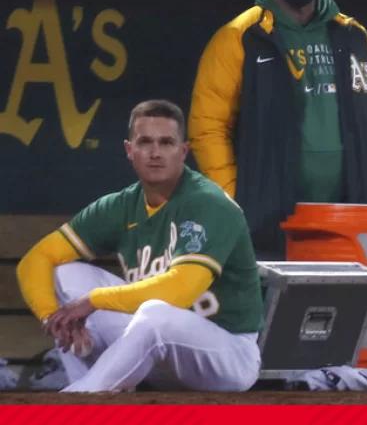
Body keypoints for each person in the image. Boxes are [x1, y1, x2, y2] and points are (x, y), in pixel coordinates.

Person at [15, 100, 263, 392]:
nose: (155, 152)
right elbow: (37, 259)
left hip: (227, 353)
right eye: (145, 142)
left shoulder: (207, 202)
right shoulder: (120, 205)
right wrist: (52, 316)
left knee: (156, 313)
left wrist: (92, 301)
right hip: (151, 346)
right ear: (129, 150)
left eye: (166, 142)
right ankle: (89, 380)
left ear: (183, 151)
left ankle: (79, 399)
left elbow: (180, 290)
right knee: (66, 274)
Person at [190, 0, 367, 255]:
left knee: (347, 305)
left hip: (347, 212)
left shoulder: (354, 36)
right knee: (275, 306)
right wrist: (236, 198)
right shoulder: (241, 36)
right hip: (271, 218)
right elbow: (208, 127)